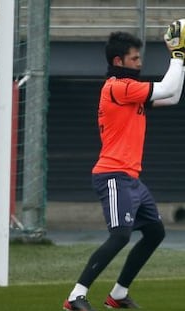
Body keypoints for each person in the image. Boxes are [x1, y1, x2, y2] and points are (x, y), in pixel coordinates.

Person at [63, 21, 185, 311]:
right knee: (120, 235)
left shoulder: (128, 91)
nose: (139, 63)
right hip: (113, 175)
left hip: (130, 178)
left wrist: (181, 60)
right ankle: (75, 296)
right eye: (134, 58)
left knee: (155, 232)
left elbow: (173, 96)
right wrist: (178, 57)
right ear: (118, 61)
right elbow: (168, 86)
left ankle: (117, 295)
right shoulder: (119, 87)